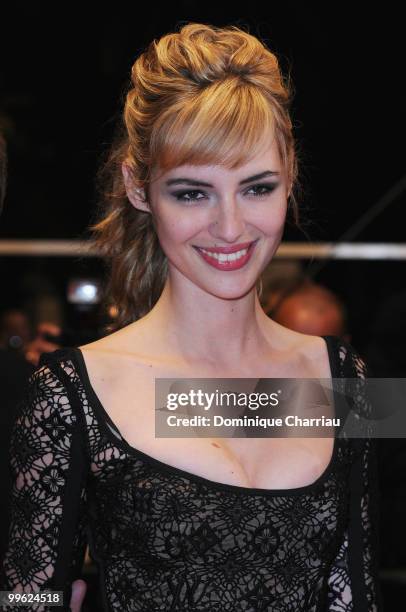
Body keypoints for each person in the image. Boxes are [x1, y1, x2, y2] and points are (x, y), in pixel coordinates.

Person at [0, 23, 382, 610]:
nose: (230, 228)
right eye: (192, 193)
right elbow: (28, 596)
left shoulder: (346, 378)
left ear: (291, 177)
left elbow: (355, 590)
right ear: (138, 187)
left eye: (257, 188)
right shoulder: (70, 393)